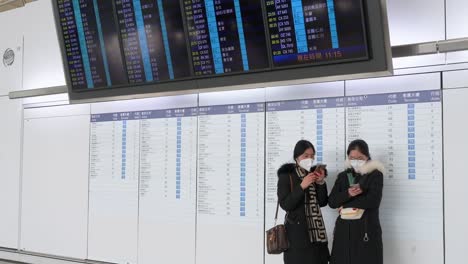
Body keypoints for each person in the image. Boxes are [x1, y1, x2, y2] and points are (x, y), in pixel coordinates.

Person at [328, 139, 384, 264]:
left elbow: (373, 201)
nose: (356, 161)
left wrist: (345, 203)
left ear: (367, 157)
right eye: (352, 157)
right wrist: (347, 193)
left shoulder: (375, 175)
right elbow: (332, 202)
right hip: (343, 234)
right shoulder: (343, 176)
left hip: (366, 232)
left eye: (360, 158)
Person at [277, 140, 329, 264]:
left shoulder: (313, 174)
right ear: (297, 157)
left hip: (317, 237)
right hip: (297, 237)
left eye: (312, 156)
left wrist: (321, 182)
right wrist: (302, 186)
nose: (310, 159)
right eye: (306, 155)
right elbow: (285, 204)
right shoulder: (287, 176)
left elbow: (322, 202)